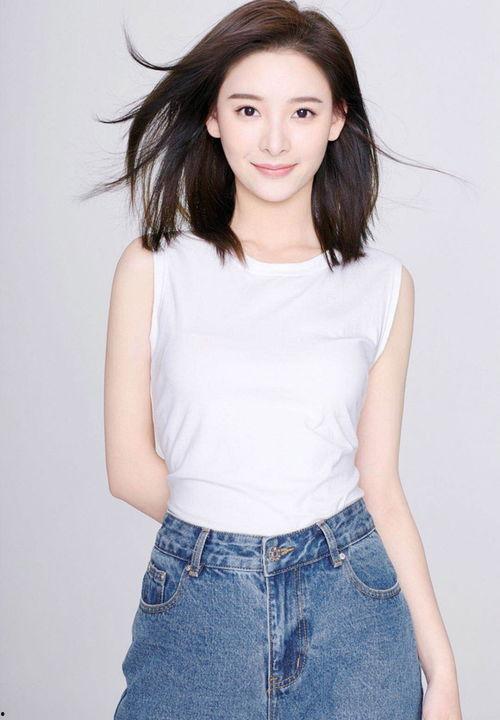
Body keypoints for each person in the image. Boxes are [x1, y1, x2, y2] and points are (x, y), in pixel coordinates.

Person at [100, 1, 463, 718]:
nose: (274, 139)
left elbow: (380, 486)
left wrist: (443, 674)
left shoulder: (382, 286)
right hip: (200, 611)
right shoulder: (154, 267)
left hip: (354, 613)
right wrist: (229, 543)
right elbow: (128, 468)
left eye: (302, 112)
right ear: (213, 117)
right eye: (247, 109)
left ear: (336, 120)